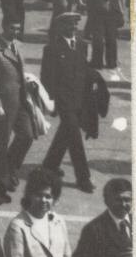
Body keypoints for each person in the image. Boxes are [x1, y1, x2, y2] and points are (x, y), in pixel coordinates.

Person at [40, 11, 100, 192]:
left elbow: (84, 70)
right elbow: (47, 77)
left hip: (80, 99)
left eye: (75, 24)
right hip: (64, 101)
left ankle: (49, 166)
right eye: (68, 24)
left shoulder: (81, 45)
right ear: (60, 27)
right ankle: (84, 178)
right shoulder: (51, 49)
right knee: (75, 139)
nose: (73, 28)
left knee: (66, 134)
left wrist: (95, 83)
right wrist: (51, 101)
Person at [0, 19, 35, 195]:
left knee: (27, 135)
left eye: (18, 28)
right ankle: (0, 177)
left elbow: (18, 72)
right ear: (4, 27)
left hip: (20, 101)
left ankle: (9, 167)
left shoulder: (17, 45)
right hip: (3, 104)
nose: (15, 31)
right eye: (12, 27)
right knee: (1, 141)